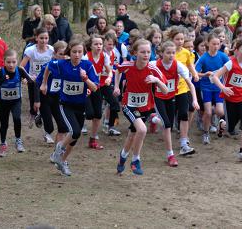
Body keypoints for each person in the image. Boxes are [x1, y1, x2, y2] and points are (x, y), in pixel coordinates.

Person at [43, 37, 99, 176]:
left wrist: (85, 79)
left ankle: (62, 161)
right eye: (74, 52)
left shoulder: (87, 66)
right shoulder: (62, 64)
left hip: (80, 105)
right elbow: (47, 67)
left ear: (83, 52)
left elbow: (95, 88)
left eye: (80, 52)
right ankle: (58, 149)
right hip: (65, 105)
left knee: (75, 137)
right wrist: (44, 83)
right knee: (74, 132)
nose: (77, 55)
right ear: (69, 52)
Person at [114, 39, 168, 176]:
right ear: (135, 53)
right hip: (129, 105)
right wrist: (116, 87)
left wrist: (156, 80)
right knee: (142, 130)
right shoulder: (128, 65)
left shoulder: (153, 69)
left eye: (148, 52)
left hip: (145, 107)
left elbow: (166, 90)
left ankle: (122, 157)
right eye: (142, 52)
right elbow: (117, 70)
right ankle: (135, 160)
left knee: (133, 134)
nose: (146, 55)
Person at [212, 39, 242, 163]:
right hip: (229, 100)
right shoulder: (230, 64)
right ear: (236, 51)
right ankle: (221, 124)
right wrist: (223, 88)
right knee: (230, 129)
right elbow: (215, 76)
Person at [154, 41, 199, 166]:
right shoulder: (154, 65)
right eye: (168, 53)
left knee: (168, 122)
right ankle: (170, 155)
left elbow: (190, 84)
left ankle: (154, 119)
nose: (171, 55)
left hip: (171, 96)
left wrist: (194, 100)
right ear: (161, 54)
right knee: (167, 125)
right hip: (158, 97)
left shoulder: (179, 66)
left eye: (173, 53)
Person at [0, 49, 35, 157]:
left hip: (16, 101)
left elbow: (32, 82)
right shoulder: (1, 71)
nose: (11, 65)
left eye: (13, 62)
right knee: (4, 123)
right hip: (4, 102)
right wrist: (2, 79)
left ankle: (18, 140)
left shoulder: (20, 70)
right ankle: (2, 143)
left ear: (17, 62)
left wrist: (26, 80)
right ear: (4, 61)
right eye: (8, 62)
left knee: (17, 118)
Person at [167, 26, 199, 154]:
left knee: (184, 114)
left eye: (182, 39)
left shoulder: (186, 53)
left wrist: (195, 74)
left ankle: (184, 142)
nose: (180, 41)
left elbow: (190, 65)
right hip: (169, 89)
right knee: (168, 118)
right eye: (177, 39)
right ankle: (168, 139)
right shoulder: (169, 52)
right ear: (172, 39)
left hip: (183, 87)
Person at [84, 34, 118, 150]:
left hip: (97, 87)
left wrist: (109, 77)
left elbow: (109, 71)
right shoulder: (86, 57)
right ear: (91, 45)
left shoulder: (104, 56)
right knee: (89, 114)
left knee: (97, 114)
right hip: (86, 87)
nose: (99, 46)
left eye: (100, 44)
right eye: (96, 44)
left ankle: (93, 139)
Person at [195, 33, 230, 142]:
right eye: (213, 44)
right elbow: (195, 73)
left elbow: (231, 67)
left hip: (218, 87)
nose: (215, 46)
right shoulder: (204, 58)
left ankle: (220, 127)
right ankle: (206, 133)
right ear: (208, 44)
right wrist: (204, 74)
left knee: (220, 111)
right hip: (206, 88)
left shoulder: (222, 56)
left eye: (218, 44)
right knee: (208, 112)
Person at [35, 41, 68, 147]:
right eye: (60, 54)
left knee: (63, 125)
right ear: (54, 54)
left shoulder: (67, 67)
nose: (63, 57)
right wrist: (37, 100)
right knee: (49, 125)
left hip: (57, 98)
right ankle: (46, 131)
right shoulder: (47, 67)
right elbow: (37, 83)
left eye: (65, 54)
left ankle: (58, 148)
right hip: (45, 97)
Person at [20, 27, 54, 128]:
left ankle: (42, 117)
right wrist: (27, 77)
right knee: (33, 101)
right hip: (33, 80)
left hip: (46, 80)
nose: (44, 41)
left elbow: (55, 64)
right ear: (36, 38)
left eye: (46, 38)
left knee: (45, 101)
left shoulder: (51, 50)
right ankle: (33, 114)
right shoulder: (30, 50)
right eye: (41, 38)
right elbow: (21, 66)